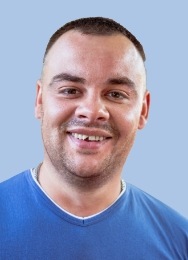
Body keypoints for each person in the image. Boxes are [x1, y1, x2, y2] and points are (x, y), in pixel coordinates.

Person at [0, 17, 187, 259]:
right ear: (40, 100)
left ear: (143, 110)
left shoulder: (180, 241)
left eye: (116, 94)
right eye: (70, 90)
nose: (92, 110)